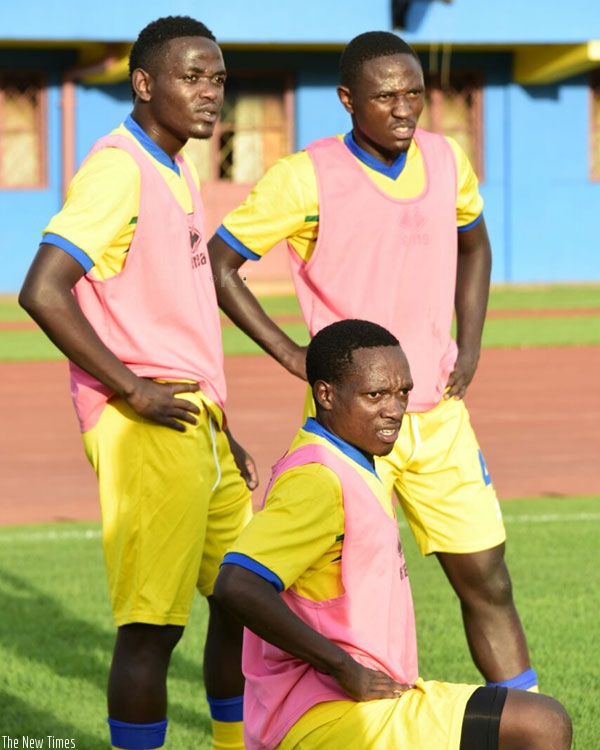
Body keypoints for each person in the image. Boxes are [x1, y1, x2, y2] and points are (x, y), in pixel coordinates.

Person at [208, 31, 536, 691]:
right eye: (385, 95)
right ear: (347, 99)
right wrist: (292, 354)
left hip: (438, 415)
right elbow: (221, 263)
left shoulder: (447, 161)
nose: (403, 107)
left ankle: (526, 725)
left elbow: (475, 246)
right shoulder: (304, 175)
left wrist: (468, 345)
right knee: (335, 594)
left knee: (488, 579)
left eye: (414, 92)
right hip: (347, 428)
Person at [19, 16, 255, 750]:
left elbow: (176, 313)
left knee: (244, 599)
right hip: (146, 420)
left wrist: (222, 423)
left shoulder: (176, 165)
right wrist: (131, 390)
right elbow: (43, 288)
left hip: (197, 419)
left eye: (217, 78)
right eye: (193, 76)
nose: (211, 92)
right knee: (151, 629)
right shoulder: (118, 167)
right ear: (145, 82)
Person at [213, 319, 572, 750]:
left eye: (402, 392)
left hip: (360, 701)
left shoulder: (352, 461)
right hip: (322, 714)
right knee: (541, 724)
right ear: (325, 395)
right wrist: (343, 667)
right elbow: (236, 583)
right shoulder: (318, 478)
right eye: (375, 395)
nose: (395, 408)